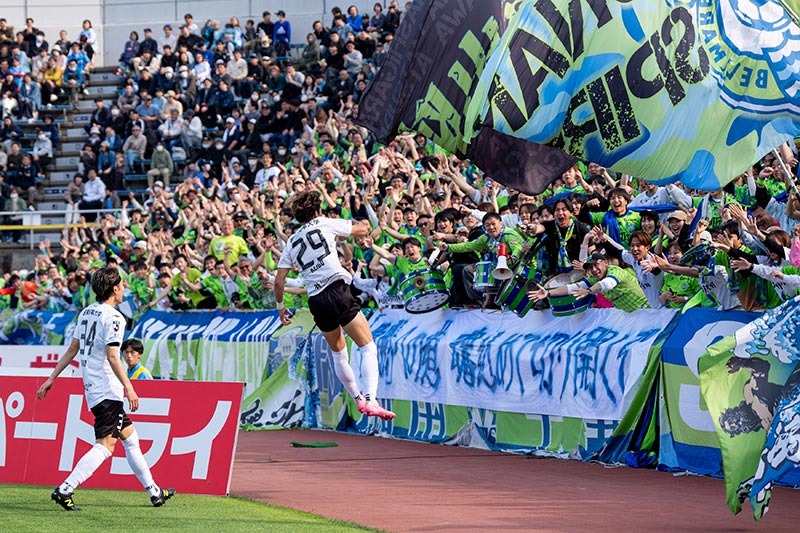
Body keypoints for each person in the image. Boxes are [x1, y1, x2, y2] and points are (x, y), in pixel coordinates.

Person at [36, 267, 175, 511]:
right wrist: (129, 387)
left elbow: (72, 349)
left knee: (131, 439)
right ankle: (65, 488)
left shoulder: (86, 312)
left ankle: (154, 492)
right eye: (122, 285)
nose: (124, 289)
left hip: (93, 388)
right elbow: (112, 356)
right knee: (105, 446)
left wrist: (51, 378)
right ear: (115, 289)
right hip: (107, 390)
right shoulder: (114, 317)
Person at [274, 191, 396, 420]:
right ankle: (371, 399)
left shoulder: (291, 241)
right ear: (316, 211)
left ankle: (357, 399)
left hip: (316, 300)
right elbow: (363, 229)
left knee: (339, 355)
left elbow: (279, 281)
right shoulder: (324, 223)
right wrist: (354, 228)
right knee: (368, 347)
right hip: (337, 291)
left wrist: (281, 307)